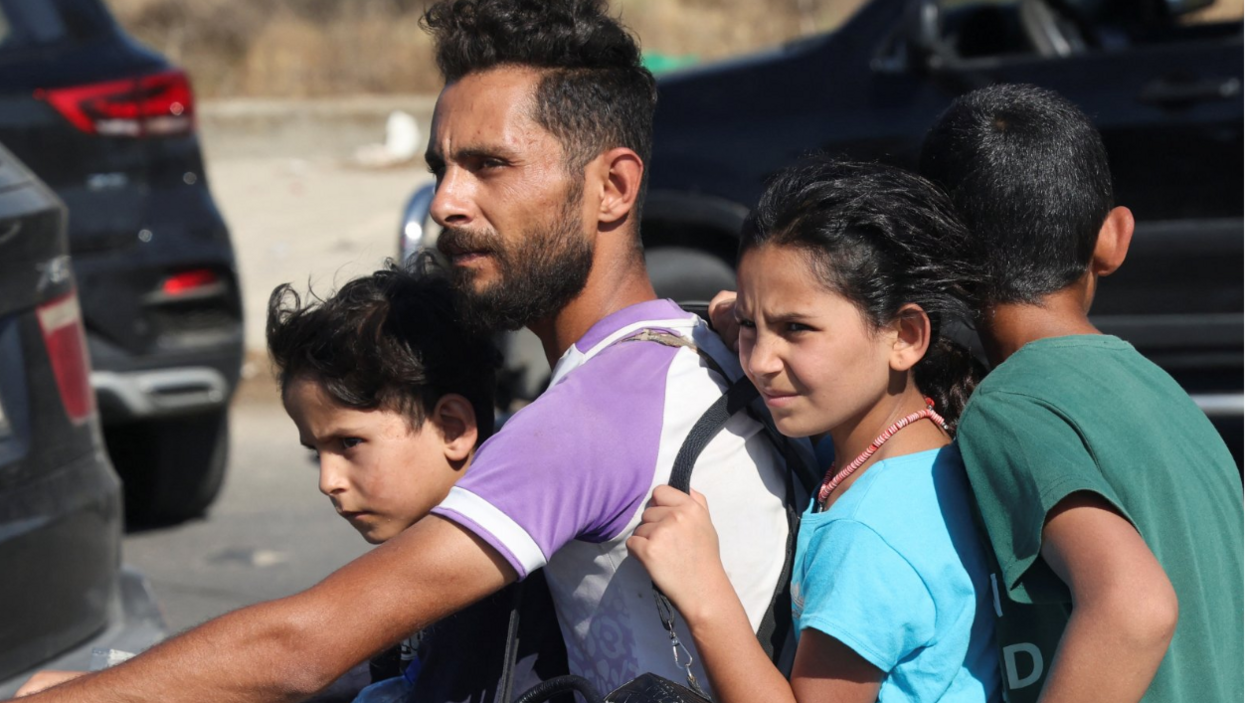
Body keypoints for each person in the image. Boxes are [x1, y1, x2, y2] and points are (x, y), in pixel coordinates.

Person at [12, 1, 790, 700]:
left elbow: (302, 646)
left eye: (491, 165)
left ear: (613, 188)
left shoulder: (584, 417)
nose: (447, 202)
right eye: (441, 169)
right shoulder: (694, 341)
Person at [629, 158, 1001, 703]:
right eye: (753, 327)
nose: (760, 362)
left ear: (905, 334)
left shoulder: (867, 540)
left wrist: (704, 591)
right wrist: (753, 319)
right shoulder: (923, 451)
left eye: (796, 328)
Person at [918, 84, 1245, 703]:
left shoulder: (1009, 409)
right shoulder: (1165, 395)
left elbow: (1134, 606)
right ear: (1113, 239)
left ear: (935, 254)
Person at [267, 266, 568, 703]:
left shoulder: (491, 586)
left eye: (349, 442)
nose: (328, 482)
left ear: (452, 428)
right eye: (317, 451)